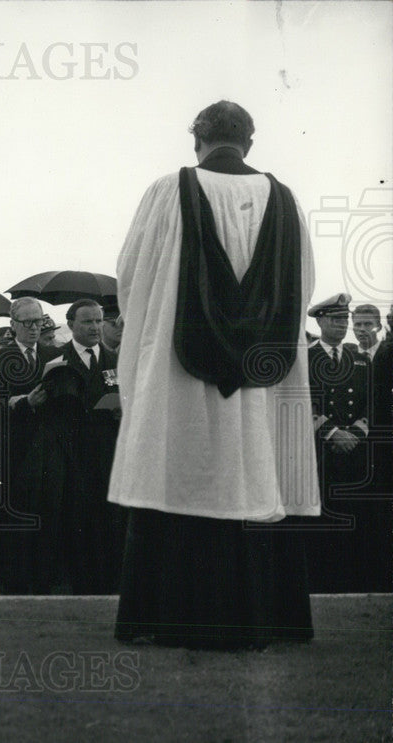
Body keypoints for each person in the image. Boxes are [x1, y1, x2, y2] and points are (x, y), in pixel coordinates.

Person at [109, 101, 319, 649]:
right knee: (255, 468)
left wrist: (155, 333)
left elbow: (131, 276)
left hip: (181, 372)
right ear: (249, 141)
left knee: (177, 467)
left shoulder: (167, 192)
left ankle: (166, 616)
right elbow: (303, 285)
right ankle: (267, 618)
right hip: (262, 378)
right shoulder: (286, 199)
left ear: (195, 140)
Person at [0, 297, 64, 593]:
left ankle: (45, 581)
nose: (33, 328)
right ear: (13, 324)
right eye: (27, 322)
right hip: (15, 448)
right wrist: (23, 403)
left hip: (50, 446)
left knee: (49, 513)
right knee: (18, 517)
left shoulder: (55, 354)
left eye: (38, 321)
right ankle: (17, 582)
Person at [305, 294, 380, 591]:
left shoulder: (359, 358)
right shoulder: (308, 358)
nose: (342, 325)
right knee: (325, 516)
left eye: (344, 320)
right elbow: (303, 402)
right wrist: (333, 433)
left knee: (356, 516)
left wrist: (358, 433)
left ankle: (355, 581)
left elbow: (374, 403)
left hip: (356, 453)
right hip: (323, 452)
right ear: (321, 321)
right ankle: (323, 582)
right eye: (336, 319)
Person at [54, 299, 125, 594]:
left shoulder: (117, 360)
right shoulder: (57, 359)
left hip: (109, 453)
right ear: (71, 325)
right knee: (78, 522)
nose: (95, 327)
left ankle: (110, 583)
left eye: (98, 321)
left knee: (111, 522)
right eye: (87, 322)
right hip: (72, 455)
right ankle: (81, 585)